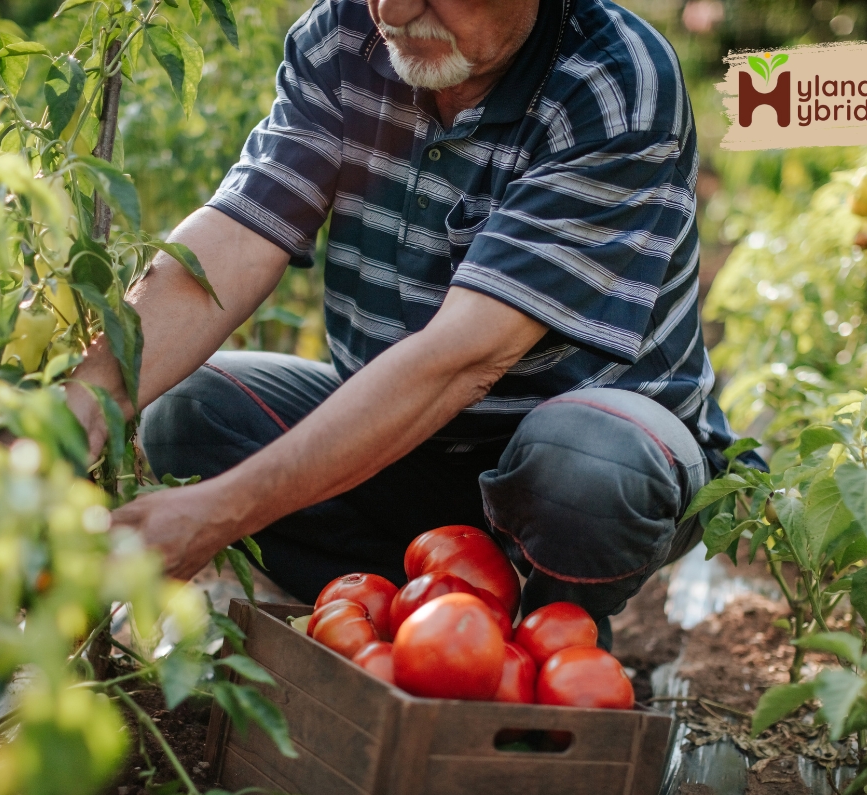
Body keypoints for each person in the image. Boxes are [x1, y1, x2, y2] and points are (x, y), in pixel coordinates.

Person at [68, 0, 755, 648]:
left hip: (581, 462)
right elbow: (240, 234)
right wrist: (73, 411)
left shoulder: (613, 81)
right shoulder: (347, 35)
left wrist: (220, 513)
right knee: (194, 413)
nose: (392, 13)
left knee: (586, 471)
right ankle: (430, 617)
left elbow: (464, 357)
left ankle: (551, 637)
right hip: (403, 449)